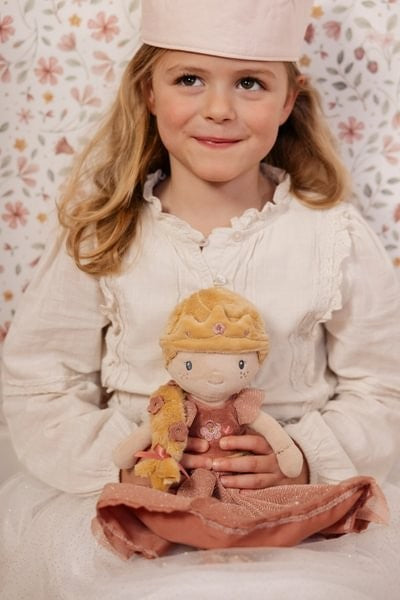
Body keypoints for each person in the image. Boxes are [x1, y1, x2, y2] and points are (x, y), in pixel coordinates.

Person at [1, 0, 399, 598]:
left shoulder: (332, 235)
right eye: (189, 79)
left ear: (287, 100)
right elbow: (39, 381)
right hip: (136, 509)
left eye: (250, 83)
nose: (219, 108)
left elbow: (384, 381)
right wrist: (121, 461)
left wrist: (301, 456)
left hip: (291, 516)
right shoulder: (103, 234)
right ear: (149, 91)